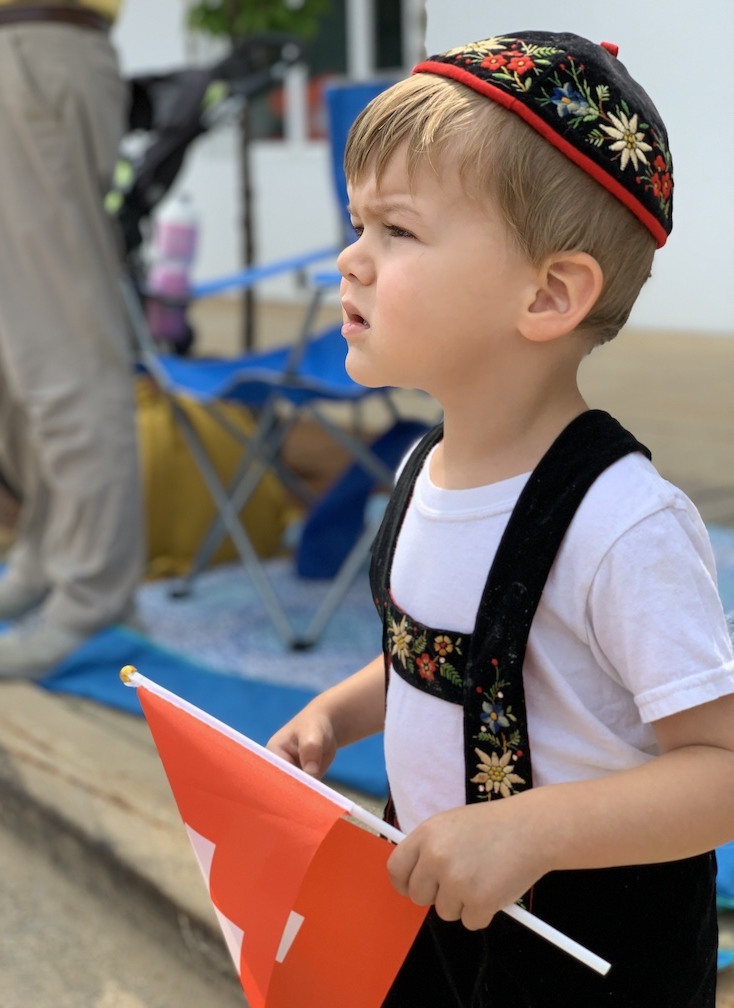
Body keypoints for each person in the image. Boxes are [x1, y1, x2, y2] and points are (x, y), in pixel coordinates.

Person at [267, 31, 734, 1006]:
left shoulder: (620, 524)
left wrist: (531, 829)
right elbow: (445, 656)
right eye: (356, 224)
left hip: (585, 947)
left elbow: (720, 768)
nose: (347, 260)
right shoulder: (420, 468)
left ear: (550, 293)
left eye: (396, 231)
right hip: (432, 906)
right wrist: (336, 716)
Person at [0, 1, 143, 679]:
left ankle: (92, 601)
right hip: (1, 52)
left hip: (33, 40)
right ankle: (45, 559)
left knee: (60, 349)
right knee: (3, 365)